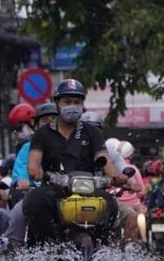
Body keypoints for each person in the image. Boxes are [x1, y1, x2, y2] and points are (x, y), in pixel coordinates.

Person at [24, 78, 129, 244]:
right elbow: (34, 162)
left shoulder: (92, 132)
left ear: (82, 104)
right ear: (57, 103)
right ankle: (49, 248)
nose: (72, 105)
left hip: (87, 189)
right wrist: (35, 171)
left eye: (76, 102)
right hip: (54, 189)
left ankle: (103, 249)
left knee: (111, 203)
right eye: (67, 101)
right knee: (34, 200)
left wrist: (117, 176)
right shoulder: (42, 134)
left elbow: (104, 159)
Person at [3, 103, 59, 247]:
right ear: (36, 124)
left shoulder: (71, 142)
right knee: (18, 213)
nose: (50, 124)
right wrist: (23, 181)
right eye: (45, 120)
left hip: (67, 193)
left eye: (54, 119)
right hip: (39, 193)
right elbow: (21, 172)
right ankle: (17, 256)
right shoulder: (27, 148)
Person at [111, 140, 145, 242]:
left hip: (116, 203)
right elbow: (141, 191)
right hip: (133, 204)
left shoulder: (114, 166)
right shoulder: (133, 169)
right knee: (140, 216)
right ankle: (141, 240)